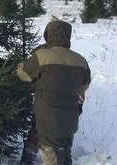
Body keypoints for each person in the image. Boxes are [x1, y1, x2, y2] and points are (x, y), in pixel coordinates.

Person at [17, 19, 91, 165]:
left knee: (51, 155)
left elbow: (23, 75)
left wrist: (22, 64)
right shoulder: (81, 61)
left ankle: (27, 161)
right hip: (70, 119)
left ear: (48, 35)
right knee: (64, 150)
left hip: (46, 118)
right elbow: (84, 85)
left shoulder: (41, 56)